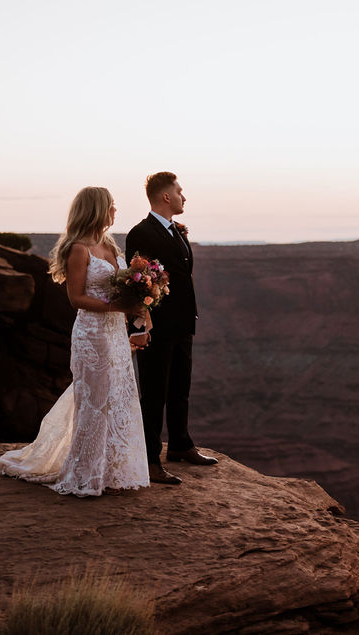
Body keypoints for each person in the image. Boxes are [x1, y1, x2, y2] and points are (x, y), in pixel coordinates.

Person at [0, 187, 151, 496]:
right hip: (92, 335)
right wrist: (119, 308)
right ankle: (84, 474)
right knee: (95, 402)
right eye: (111, 206)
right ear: (97, 209)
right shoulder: (79, 249)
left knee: (118, 398)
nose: (115, 211)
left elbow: (122, 291)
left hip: (115, 334)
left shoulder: (108, 244)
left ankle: (111, 472)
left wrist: (141, 310)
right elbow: (76, 298)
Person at [127, 171, 218, 485]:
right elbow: (136, 286)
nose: (183, 196)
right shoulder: (140, 233)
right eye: (179, 191)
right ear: (166, 196)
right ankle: (150, 460)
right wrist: (139, 327)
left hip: (182, 323)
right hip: (157, 327)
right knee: (154, 394)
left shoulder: (178, 231)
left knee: (180, 388)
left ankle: (180, 445)